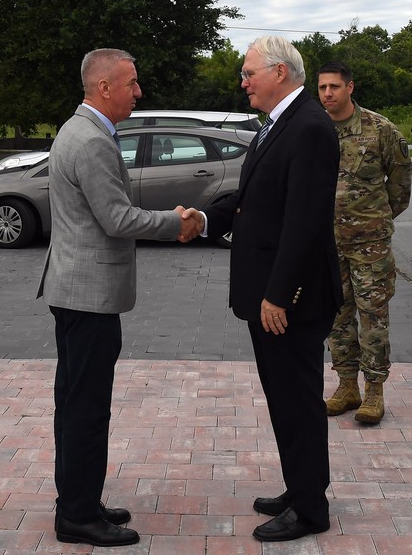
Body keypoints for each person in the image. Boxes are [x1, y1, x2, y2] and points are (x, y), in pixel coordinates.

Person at [37, 48, 200, 548]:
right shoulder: (91, 140)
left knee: (76, 401)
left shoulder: (80, 130)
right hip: (87, 295)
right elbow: (117, 218)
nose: (139, 90)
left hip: (77, 291)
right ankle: (78, 517)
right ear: (104, 87)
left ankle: (79, 500)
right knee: (85, 407)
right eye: (132, 82)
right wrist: (178, 224)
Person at [183, 36, 343, 542]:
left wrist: (280, 294)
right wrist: (206, 217)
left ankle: (311, 511)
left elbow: (305, 222)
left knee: (296, 399)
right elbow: (254, 200)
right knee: (285, 398)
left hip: (290, 300)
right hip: (271, 294)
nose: (243, 80)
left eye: (249, 72)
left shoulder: (311, 128)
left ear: (279, 72)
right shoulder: (278, 125)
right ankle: (303, 487)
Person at [317, 62, 411, 423]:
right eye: (323, 87)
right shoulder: (316, 129)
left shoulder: (380, 129)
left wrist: (375, 217)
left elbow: (401, 186)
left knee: (373, 317)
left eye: (334, 87)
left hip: (370, 244)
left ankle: (374, 391)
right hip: (328, 243)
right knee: (337, 316)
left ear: (350, 87)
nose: (328, 94)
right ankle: (346, 386)